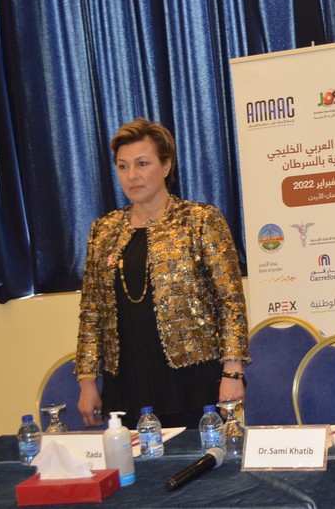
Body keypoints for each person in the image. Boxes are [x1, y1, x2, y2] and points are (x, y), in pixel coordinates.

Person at [75, 118, 249, 429]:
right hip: (125, 386)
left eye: (142, 164)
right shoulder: (103, 230)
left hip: (193, 382)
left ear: (166, 166)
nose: (132, 175)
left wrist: (232, 372)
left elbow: (230, 303)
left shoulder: (199, 220)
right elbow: (91, 312)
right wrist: (87, 382)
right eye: (123, 166)